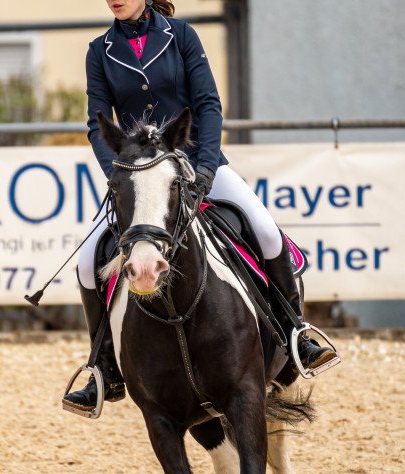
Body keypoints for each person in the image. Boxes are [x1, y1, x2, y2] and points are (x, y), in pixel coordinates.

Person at [63, 0, 338, 412]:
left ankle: (296, 331)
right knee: (87, 262)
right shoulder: (98, 51)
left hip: (196, 162)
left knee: (263, 228)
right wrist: (122, 175)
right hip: (139, 178)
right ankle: (103, 369)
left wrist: (206, 167)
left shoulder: (183, 37)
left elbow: (208, 104)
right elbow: (96, 122)